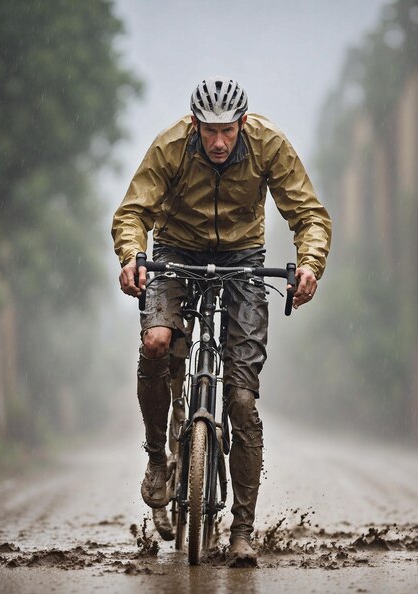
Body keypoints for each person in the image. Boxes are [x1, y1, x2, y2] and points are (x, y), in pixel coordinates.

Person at [112, 76, 331, 566]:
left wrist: (310, 263)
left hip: (244, 260)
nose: (217, 141)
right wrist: (132, 255)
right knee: (156, 343)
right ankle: (156, 460)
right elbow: (133, 211)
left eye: (227, 131)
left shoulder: (268, 144)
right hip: (175, 252)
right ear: (194, 124)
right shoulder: (170, 147)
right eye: (208, 130)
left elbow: (309, 214)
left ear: (242, 124)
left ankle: (243, 531)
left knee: (241, 397)